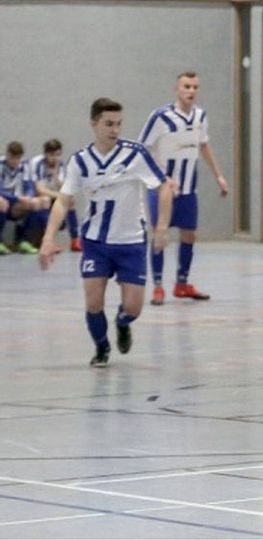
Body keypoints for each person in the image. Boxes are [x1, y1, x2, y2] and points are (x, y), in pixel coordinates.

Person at [39, 97, 174, 367]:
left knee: (134, 307)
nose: (115, 129)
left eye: (119, 124)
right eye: (108, 124)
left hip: (131, 242)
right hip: (96, 242)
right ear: (94, 124)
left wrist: (161, 228)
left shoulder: (135, 154)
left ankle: (123, 323)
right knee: (93, 302)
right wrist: (48, 238)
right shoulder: (80, 161)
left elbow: (165, 187)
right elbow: (63, 201)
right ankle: (102, 348)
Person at [139, 71, 230, 305]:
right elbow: (142, 149)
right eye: (187, 86)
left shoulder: (200, 116)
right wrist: (160, 177)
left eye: (195, 87)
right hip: (162, 189)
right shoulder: (161, 117)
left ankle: (182, 283)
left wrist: (218, 175)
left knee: (189, 234)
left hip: (189, 187)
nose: (191, 91)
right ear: (176, 89)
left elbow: (204, 146)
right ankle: (158, 286)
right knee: (160, 234)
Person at [28, 139, 82, 252]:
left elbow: (65, 188)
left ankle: (75, 239)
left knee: (70, 202)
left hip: (53, 196)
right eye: (52, 155)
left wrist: (56, 176)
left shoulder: (61, 165)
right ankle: (49, 241)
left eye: (58, 155)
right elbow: (39, 189)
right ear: (46, 154)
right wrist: (59, 196)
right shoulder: (38, 163)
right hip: (37, 197)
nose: (55, 158)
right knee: (45, 200)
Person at [0, 141, 50, 255]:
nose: (15, 161)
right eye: (12, 158)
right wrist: (16, 198)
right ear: (7, 155)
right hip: (5, 199)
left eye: (18, 158)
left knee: (37, 202)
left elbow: (30, 186)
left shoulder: (25, 165)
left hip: (16, 202)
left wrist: (29, 196)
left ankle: (24, 240)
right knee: (1, 202)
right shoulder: (1, 165)